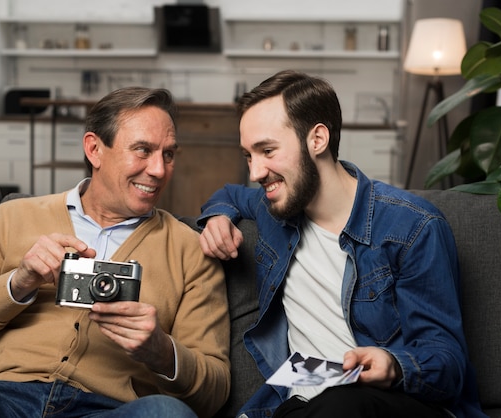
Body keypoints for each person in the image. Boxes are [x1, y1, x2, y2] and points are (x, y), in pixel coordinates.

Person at [0, 87, 230, 418]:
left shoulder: (191, 250)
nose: (159, 170)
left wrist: (163, 352)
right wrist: (16, 285)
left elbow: (215, 390)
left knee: (167, 414)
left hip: (108, 409)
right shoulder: (12, 217)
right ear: (95, 149)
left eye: (168, 154)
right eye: (142, 150)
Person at [197, 70, 485, 418]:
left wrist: (394, 364)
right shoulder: (275, 205)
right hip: (304, 402)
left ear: (317, 139)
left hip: (391, 403)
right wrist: (217, 217)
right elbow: (228, 194)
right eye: (248, 155)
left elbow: (447, 362)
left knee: (344, 402)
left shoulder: (413, 226)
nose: (256, 172)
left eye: (267, 150)